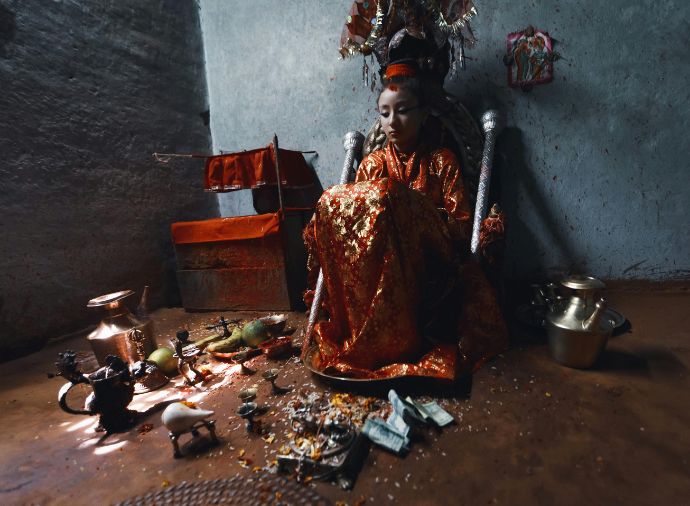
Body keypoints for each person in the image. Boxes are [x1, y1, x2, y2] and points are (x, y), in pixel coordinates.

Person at [303, 61, 507, 381]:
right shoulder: (372, 164)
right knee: (332, 200)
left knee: (389, 195)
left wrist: (412, 213)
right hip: (379, 262)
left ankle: (400, 340)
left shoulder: (441, 161)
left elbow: (461, 226)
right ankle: (371, 339)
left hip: (431, 259)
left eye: (402, 111)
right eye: (384, 114)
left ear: (423, 114)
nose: (392, 122)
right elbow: (355, 228)